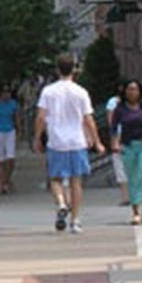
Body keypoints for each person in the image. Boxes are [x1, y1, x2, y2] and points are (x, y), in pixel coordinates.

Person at [33, 53, 105, 233]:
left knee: (55, 179)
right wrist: (97, 141)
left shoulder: (48, 91)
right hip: (77, 141)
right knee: (76, 181)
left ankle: (61, 203)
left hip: (56, 141)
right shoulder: (81, 92)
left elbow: (41, 117)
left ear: (57, 70)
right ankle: (75, 220)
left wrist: (37, 137)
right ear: (74, 70)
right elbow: (88, 119)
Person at [111, 79, 142, 224]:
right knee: (133, 179)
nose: (132, 92)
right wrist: (115, 142)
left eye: (135, 89)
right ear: (125, 92)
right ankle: (135, 212)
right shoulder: (120, 109)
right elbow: (114, 127)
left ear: (140, 91)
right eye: (129, 89)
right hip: (128, 146)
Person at [0, 85, 20, 194]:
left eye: (8, 93)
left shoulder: (13, 104)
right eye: (4, 93)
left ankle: (7, 179)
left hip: (10, 131)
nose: (6, 95)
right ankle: (3, 184)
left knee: (10, 159)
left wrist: (19, 130)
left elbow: (16, 117)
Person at [105, 83, 131, 206]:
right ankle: (125, 196)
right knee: (120, 168)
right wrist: (114, 140)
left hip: (132, 136)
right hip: (120, 137)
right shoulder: (112, 102)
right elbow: (111, 123)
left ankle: (132, 195)